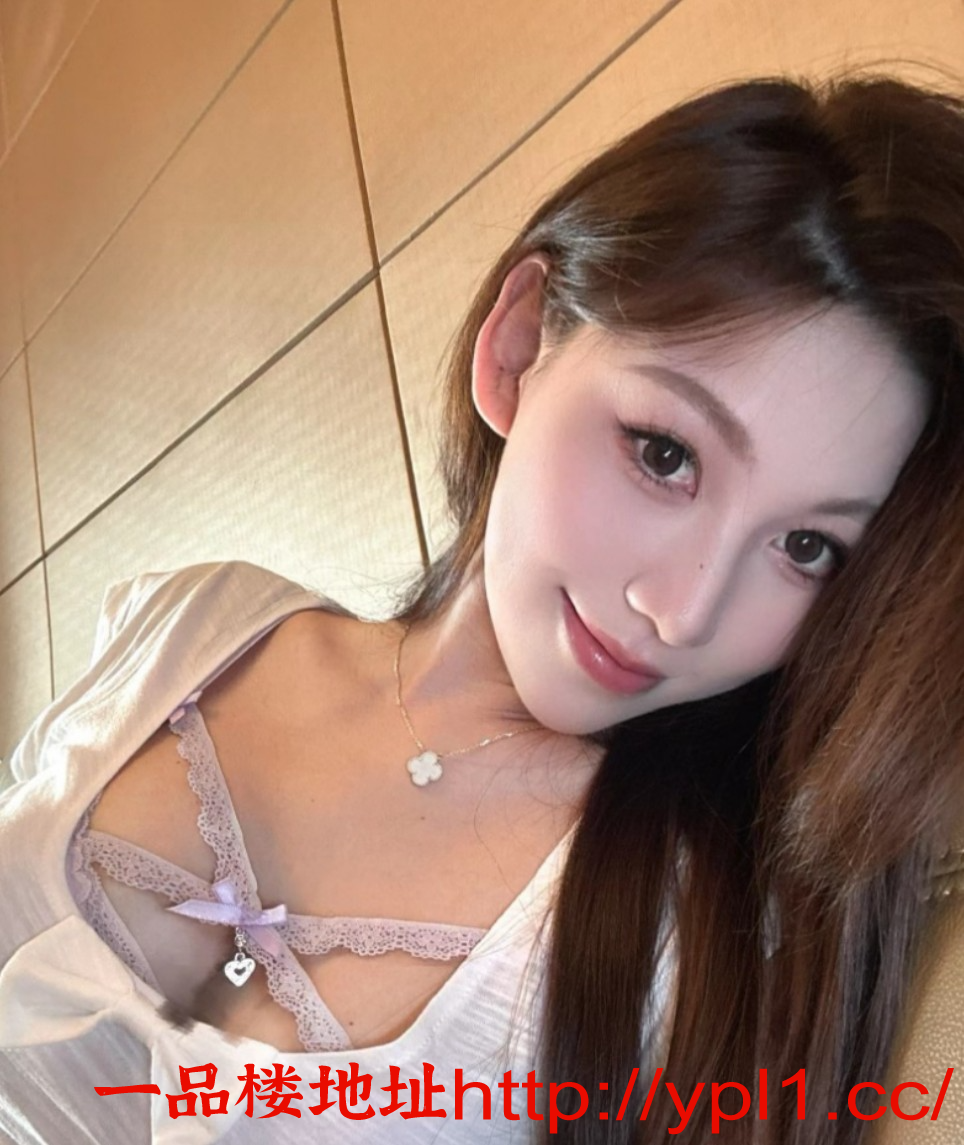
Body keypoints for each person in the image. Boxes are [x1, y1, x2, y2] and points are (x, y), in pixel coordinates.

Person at [1, 70, 963, 1144]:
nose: (682, 612)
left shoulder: (695, 944)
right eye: (664, 454)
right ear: (518, 348)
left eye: (806, 548)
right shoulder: (186, 619)